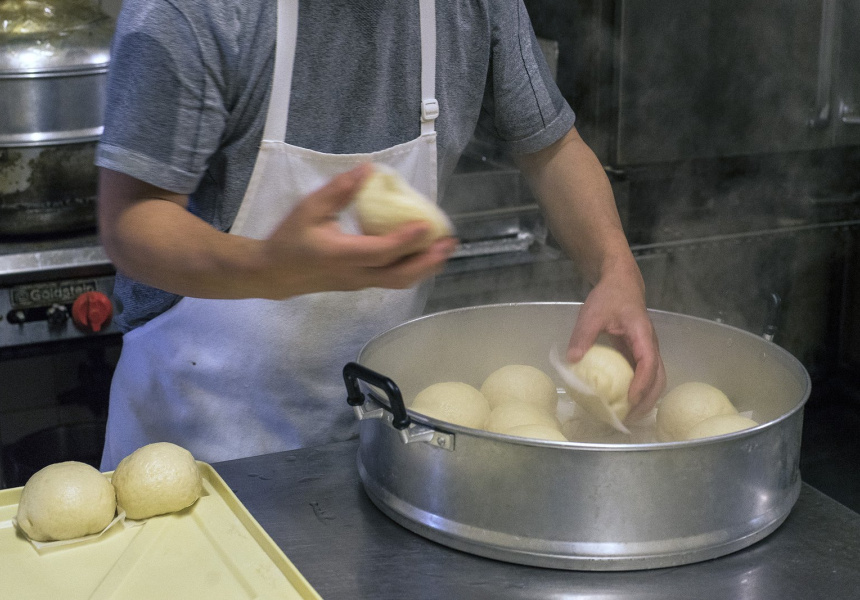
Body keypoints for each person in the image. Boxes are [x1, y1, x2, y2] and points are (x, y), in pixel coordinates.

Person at [95, 0, 665, 470]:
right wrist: (267, 267)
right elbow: (132, 220)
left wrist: (615, 268)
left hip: (381, 441)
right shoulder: (194, 10)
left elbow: (551, 149)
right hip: (195, 451)